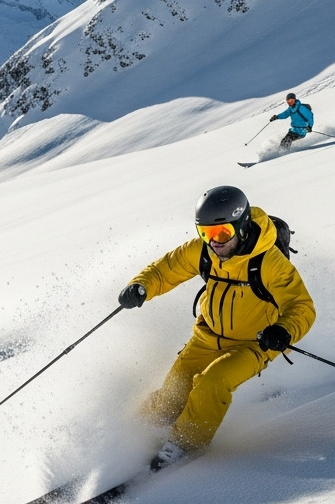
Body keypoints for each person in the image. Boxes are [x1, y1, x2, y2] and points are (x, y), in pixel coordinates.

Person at [117, 186, 315, 470]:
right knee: (172, 394)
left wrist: (283, 330)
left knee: (213, 382)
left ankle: (185, 443)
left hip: (254, 344)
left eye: (222, 234)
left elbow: (302, 307)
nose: (214, 243)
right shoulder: (205, 252)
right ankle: (135, 432)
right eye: (206, 234)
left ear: (242, 227)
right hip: (206, 337)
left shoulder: (269, 263)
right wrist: (141, 286)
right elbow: (167, 268)